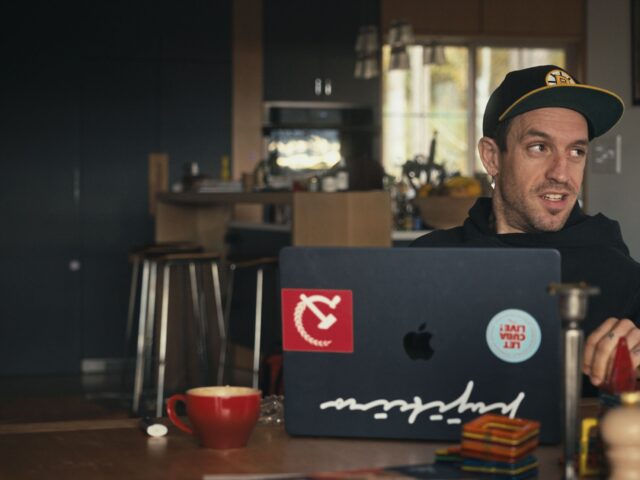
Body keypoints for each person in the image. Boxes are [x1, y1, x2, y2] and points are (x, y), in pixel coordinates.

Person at [410, 65, 640, 395]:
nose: (561, 173)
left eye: (576, 151)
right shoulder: (428, 260)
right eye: (539, 147)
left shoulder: (618, 269)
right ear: (492, 157)